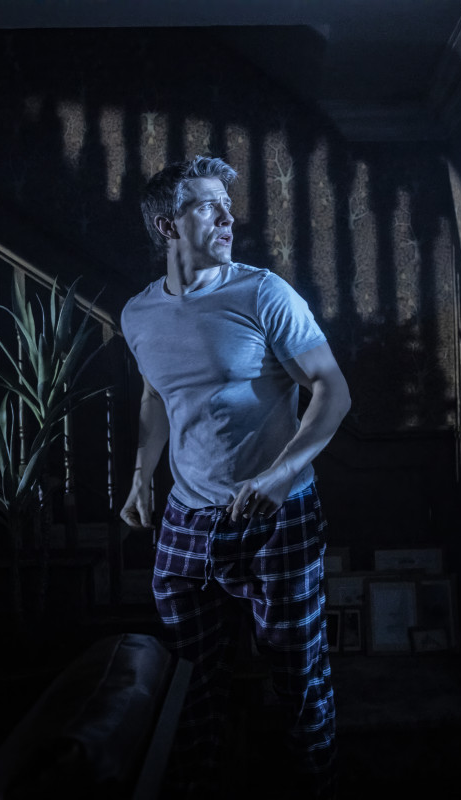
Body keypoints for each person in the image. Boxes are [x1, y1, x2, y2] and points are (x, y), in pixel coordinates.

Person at [119, 155, 350, 800]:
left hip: (279, 515)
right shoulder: (138, 314)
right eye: (208, 206)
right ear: (168, 225)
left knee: (297, 675)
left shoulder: (264, 294)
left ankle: (317, 786)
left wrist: (280, 477)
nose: (228, 218)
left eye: (228, 205)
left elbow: (333, 390)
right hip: (187, 518)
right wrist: (141, 476)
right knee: (189, 677)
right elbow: (156, 397)